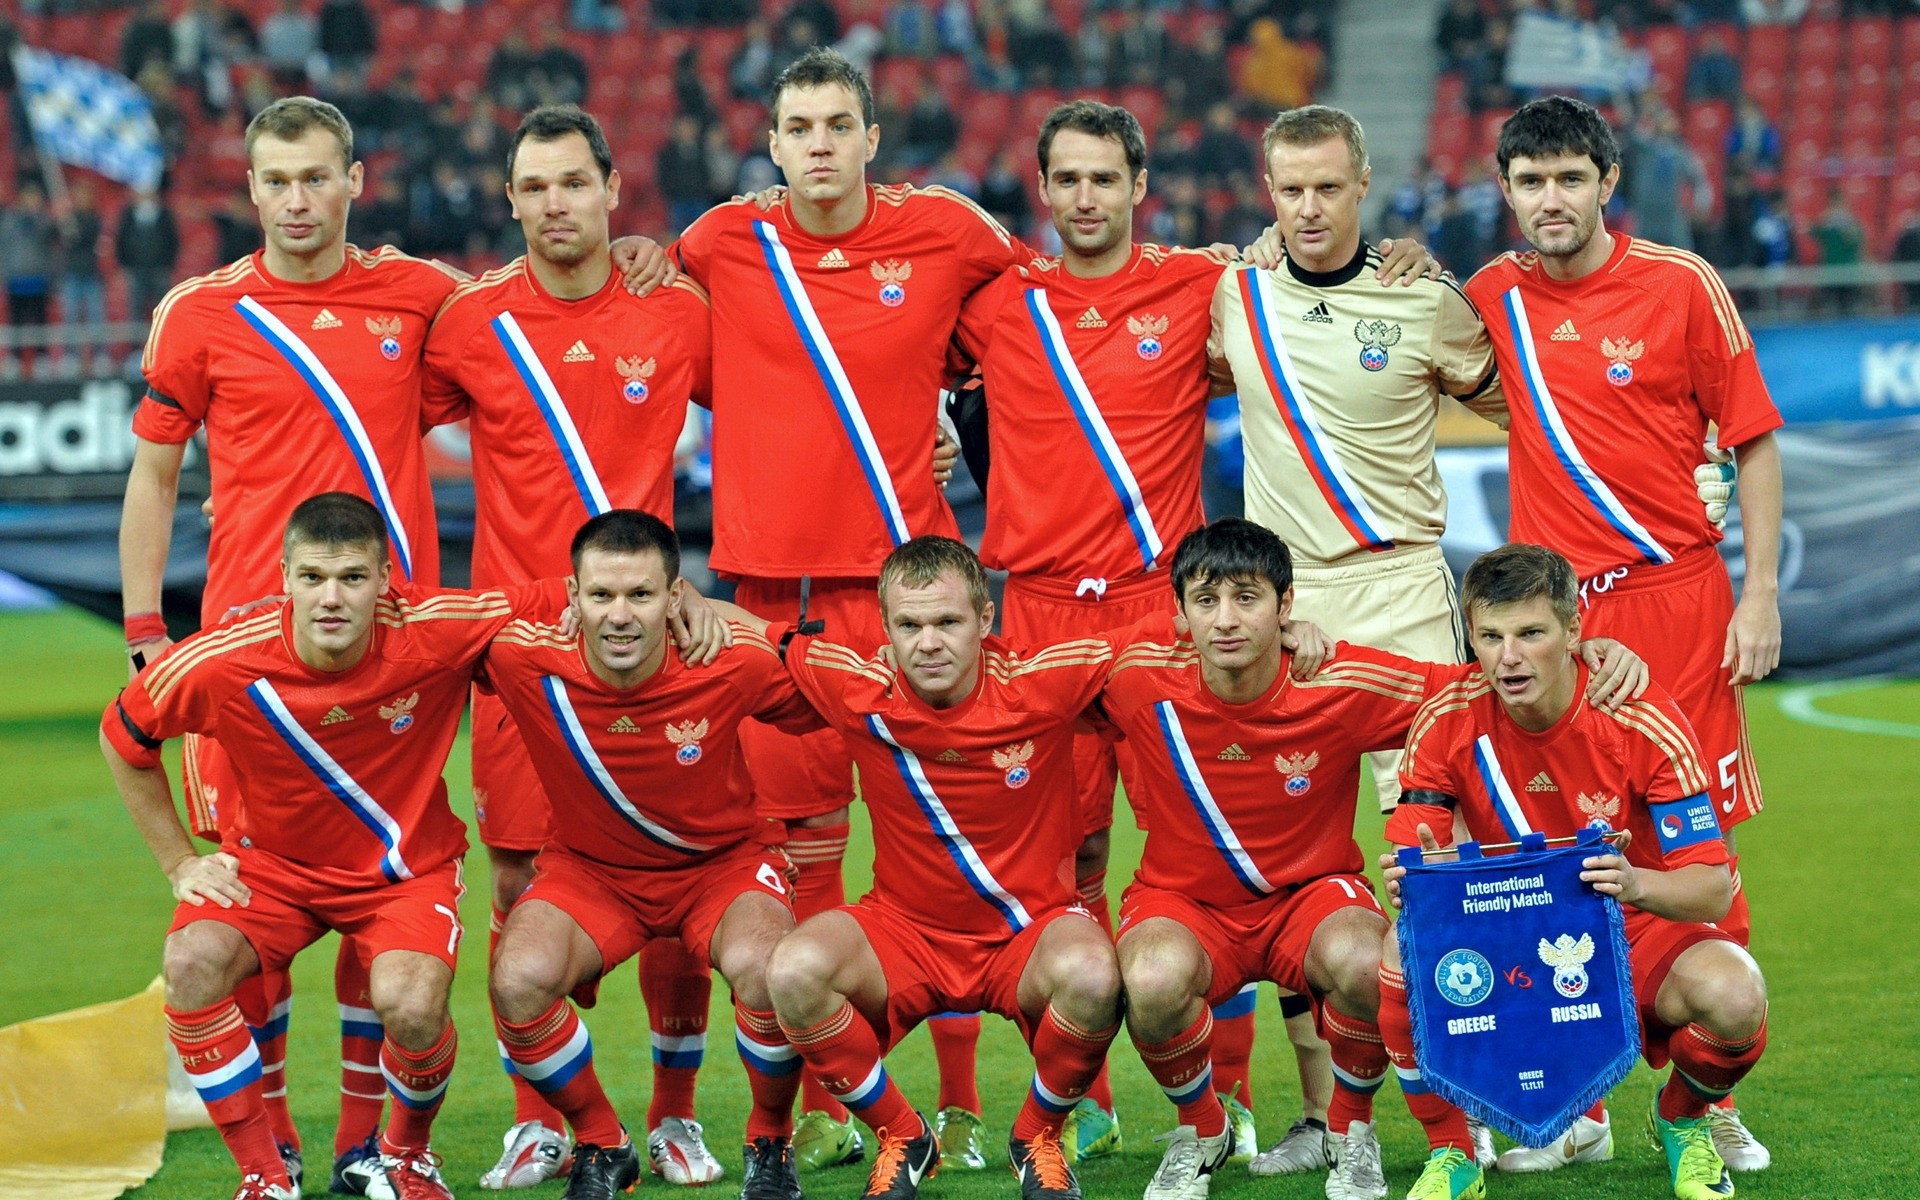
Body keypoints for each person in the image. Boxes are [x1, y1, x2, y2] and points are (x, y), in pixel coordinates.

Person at [667, 47, 1028, 1168]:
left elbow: (1039, 319)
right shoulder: (719, 241)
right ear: (770, 145)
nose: (818, 143)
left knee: (952, 852)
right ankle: (825, 1110)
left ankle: (965, 1107)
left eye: (838, 123)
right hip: (771, 601)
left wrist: (957, 410)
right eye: (798, 126)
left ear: (873, 138)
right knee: (799, 857)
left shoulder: (952, 231)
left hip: (904, 600)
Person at [119, 95, 463, 1197]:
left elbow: (538, 357)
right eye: (278, 180)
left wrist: (636, 254)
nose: (299, 199)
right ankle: (271, 1161)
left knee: (382, 897)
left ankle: (370, 1147)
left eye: (319, 176)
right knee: (240, 913)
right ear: (251, 189)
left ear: (356, 180)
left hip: (391, 652)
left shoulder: (421, 297)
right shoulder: (199, 313)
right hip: (242, 663)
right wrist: (143, 631)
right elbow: (157, 474)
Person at [1095, 520, 1648, 1200]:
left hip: (1312, 895)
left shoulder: (1340, 677)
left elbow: (1476, 685)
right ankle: (1202, 1130)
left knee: (1369, 960)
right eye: (1206, 601)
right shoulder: (1130, 670)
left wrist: (1585, 652)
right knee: (1148, 979)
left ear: (1287, 605)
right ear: (1178, 612)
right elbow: (1023, 681)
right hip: (1185, 902)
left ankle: (1348, 1130)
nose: (1227, 619)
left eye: (1248, 598)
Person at [1463, 96, 1782, 1172]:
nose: (1550, 199)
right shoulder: (1489, 297)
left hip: (1680, 600)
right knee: (1551, 842)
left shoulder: (1683, 283)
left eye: (1569, 178)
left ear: (1606, 182)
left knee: (1695, 847)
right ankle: (1579, 1093)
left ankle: (1707, 1095)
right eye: (1530, 181)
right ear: (1505, 192)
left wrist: (1759, 594)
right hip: (1556, 617)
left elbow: (1753, 442)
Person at [422, 103, 724, 1191]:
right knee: (515, 873)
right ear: (510, 201)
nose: (555, 205)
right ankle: (543, 1120)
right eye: (533, 188)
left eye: (572, 184)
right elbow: (369, 425)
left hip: (650, 640)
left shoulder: (677, 310)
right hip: (519, 648)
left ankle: (677, 1115)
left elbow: (778, 416)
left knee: (673, 873)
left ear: (611, 192)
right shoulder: (467, 323)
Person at [1206, 103, 1509, 1174]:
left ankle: (1490, 1095)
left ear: (1364, 181)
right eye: (1290, 190)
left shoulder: (1423, 301)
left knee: (1432, 868)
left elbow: (1539, 415)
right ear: (1267, 191)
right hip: (1291, 616)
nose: (1309, 209)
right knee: (1292, 867)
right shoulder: (1231, 296)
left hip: (1404, 597)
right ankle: (1329, 1122)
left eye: (1329, 188)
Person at [100, 494, 539, 1200]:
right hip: (271, 871)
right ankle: (264, 1176)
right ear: (283, 577)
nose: (331, 598)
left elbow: (565, 597)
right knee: (192, 962)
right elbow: (124, 740)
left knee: (414, 1003)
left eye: (352, 579)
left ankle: (403, 1155)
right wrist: (180, 861)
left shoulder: (437, 627)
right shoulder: (221, 660)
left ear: (385, 578)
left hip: (405, 871)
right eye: (312, 578)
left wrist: (694, 605)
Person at [948, 97, 1230, 1166]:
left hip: (1164, 610)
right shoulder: (997, 306)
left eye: (1103, 177)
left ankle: (1224, 1104)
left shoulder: (1199, 287)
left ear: (1138, 186)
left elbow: (1311, 306)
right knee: (1055, 861)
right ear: (1044, 188)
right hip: (1045, 613)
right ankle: (1084, 1094)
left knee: (1205, 851)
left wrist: (1395, 259)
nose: (1084, 197)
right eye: (1065, 179)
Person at [1377, 543, 1768, 1200]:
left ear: (1575, 630)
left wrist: (1634, 881)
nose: (1509, 657)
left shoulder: (1638, 714)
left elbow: (1709, 885)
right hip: (1509, 937)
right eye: (1491, 636)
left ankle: (1682, 1120)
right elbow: (1412, 864)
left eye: (1532, 633)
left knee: (1735, 996)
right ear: (1470, 636)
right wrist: (1419, 881)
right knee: (1394, 955)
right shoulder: (1446, 719)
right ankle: (1453, 1152)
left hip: (1629, 928)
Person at [750, 535, 1126, 1200]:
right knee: (791, 971)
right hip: (905, 932)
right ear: (884, 627)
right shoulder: (858, 684)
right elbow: (751, 630)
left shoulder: (1044, 680)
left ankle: (1036, 1134)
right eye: (910, 624)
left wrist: (1286, 629)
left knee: (1097, 975)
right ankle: (903, 1133)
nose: (929, 642)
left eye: (949, 622)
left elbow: (1165, 641)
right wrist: (681, 600)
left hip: (1028, 930)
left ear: (985, 620)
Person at [481, 510, 817, 1200]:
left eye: (640, 595)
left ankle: (770, 1141)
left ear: (674, 598)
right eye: (600, 595)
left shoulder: (729, 658)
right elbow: (411, 629)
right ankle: (604, 1144)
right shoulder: (522, 657)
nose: (619, 615)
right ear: (572, 598)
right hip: (592, 873)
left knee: (771, 969)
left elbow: (842, 695)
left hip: (718, 867)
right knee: (516, 979)